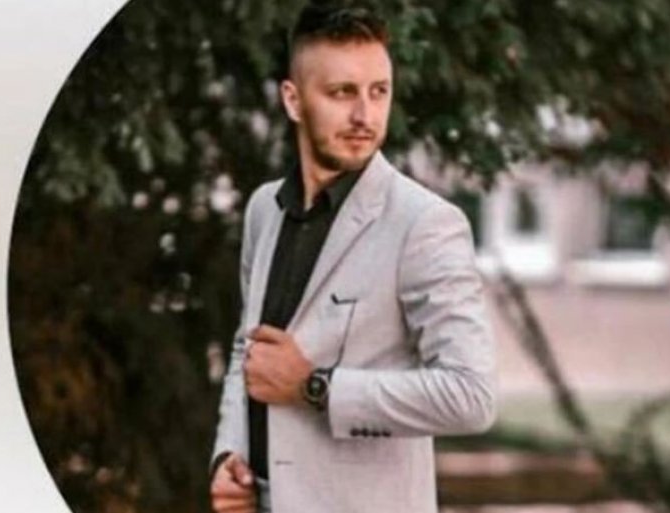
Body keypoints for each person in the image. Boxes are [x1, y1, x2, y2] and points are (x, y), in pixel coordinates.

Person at [209, 1, 496, 512]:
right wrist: (230, 454)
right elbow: (248, 350)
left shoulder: (424, 224)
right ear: (293, 100)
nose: (365, 116)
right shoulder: (263, 209)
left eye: (378, 91)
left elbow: (471, 396)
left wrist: (315, 387)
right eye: (342, 92)